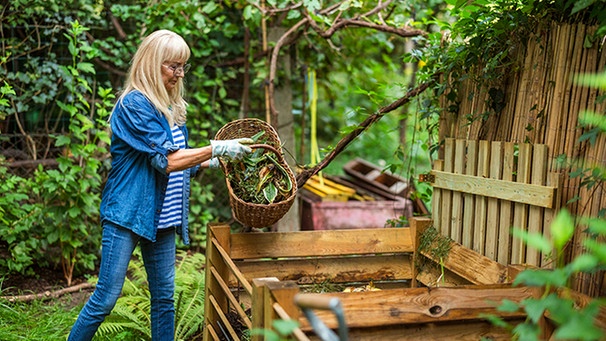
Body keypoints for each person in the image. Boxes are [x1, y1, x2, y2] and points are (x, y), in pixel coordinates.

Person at [67, 29, 252, 341]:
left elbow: (180, 164)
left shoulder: (172, 108)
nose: (180, 74)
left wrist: (215, 162)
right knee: (106, 299)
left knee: (164, 300)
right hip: (127, 213)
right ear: (153, 64)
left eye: (183, 67)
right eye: (173, 66)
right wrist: (216, 147)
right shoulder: (134, 105)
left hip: (163, 219)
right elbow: (166, 161)